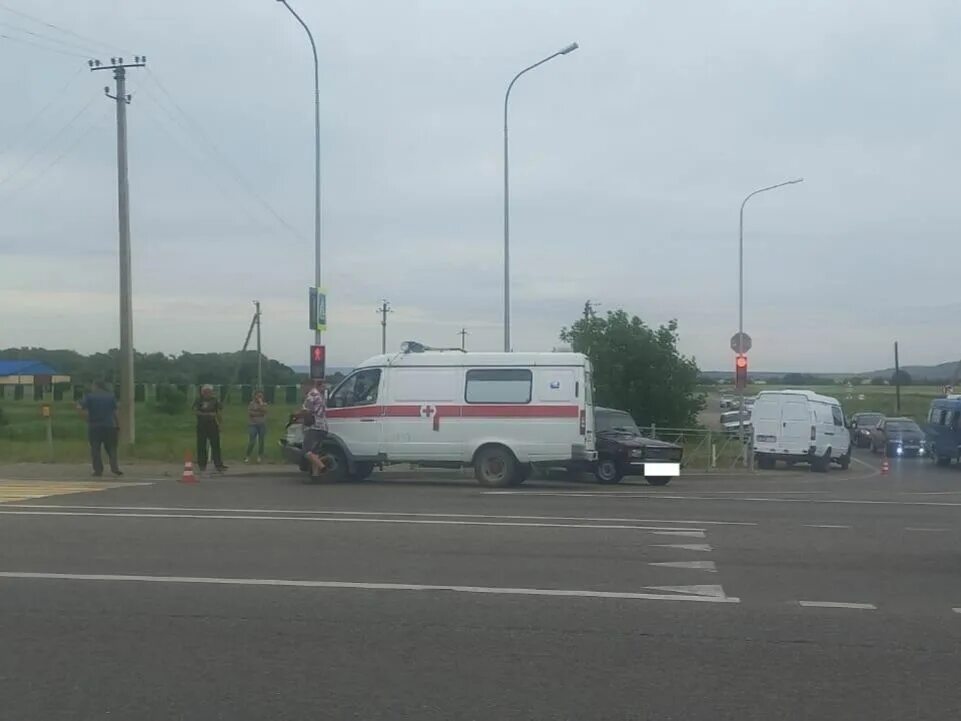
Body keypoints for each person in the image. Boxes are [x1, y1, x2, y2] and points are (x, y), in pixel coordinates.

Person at [77, 380, 123, 477]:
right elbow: (115, 412)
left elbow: (79, 407)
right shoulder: (111, 396)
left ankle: (98, 470)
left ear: (96, 386)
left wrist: (86, 418)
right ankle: (115, 468)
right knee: (111, 448)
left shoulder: (89, 396)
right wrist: (118, 425)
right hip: (109, 425)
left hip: (94, 426)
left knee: (95, 449)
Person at [193, 384, 227, 474]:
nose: (207, 393)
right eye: (205, 391)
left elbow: (218, 412)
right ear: (202, 392)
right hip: (202, 425)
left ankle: (218, 464)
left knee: (215, 445)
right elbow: (196, 411)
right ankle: (202, 464)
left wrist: (220, 423)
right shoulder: (198, 400)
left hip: (212, 425)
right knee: (201, 445)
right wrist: (207, 414)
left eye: (209, 391)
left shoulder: (215, 400)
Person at [300, 379, 328, 477]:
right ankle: (315, 475)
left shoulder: (312, 395)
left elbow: (307, 411)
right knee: (315, 453)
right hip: (323, 428)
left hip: (313, 427)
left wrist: (298, 415)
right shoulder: (321, 396)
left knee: (306, 451)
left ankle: (322, 466)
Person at [244, 390, 268, 463]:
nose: (259, 397)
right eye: (258, 396)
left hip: (262, 424)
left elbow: (264, 411)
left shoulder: (264, 404)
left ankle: (260, 456)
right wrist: (259, 413)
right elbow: (251, 414)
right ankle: (247, 455)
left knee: (261, 441)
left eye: (261, 396)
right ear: (255, 396)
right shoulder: (251, 404)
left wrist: (260, 406)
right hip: (253, 425)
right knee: (252, 441)